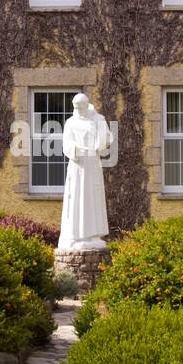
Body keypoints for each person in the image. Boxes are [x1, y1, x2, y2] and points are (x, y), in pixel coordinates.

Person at [57, 93, 110, 251]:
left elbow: (106, 139)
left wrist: (100, 133)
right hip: (78, 165)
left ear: (86, 105)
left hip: (92, 164)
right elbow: (66, 143)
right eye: (75, 107)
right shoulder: (70, 123)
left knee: (92, 198)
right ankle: (76, 235)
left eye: (80, 107)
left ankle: (92, 234)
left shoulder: (97, 120)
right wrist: (76, 149)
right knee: (77, 198)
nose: (78, 110)